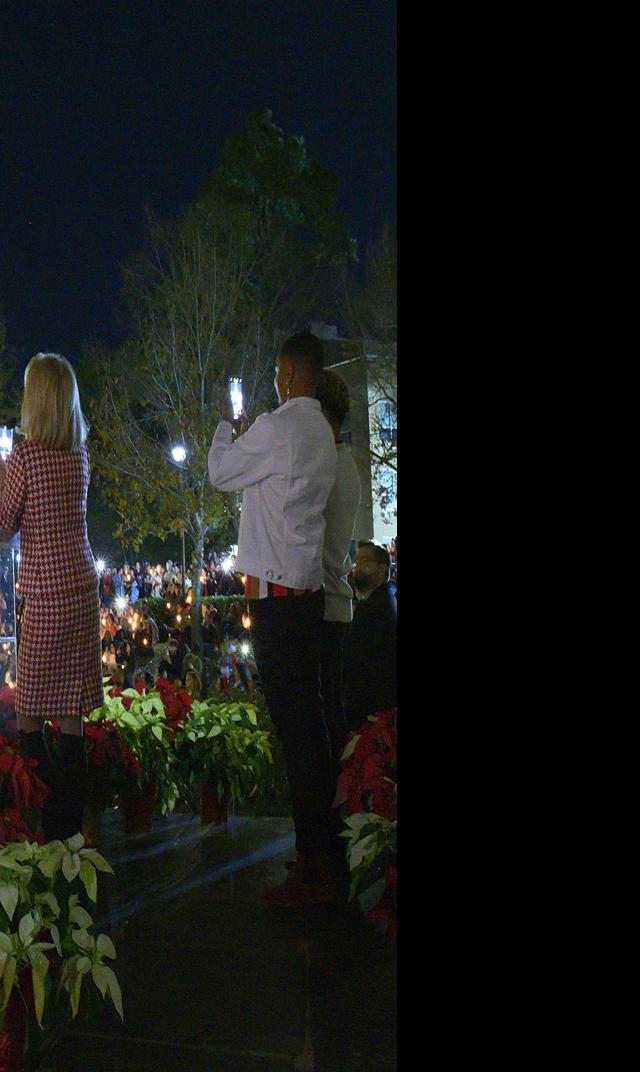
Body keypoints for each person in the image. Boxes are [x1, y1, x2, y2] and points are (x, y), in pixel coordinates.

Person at [208, 330, 341, 907]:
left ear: (288, 373)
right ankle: (321, 851)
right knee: (309, 729)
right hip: (306, 592)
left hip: (275, 600)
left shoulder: (278, 426)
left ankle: (315, 866)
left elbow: (219, 471)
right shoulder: (322, 434)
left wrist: (226, 427)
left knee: (295, 734)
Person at [0, 352, 100, 842]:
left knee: (31, 708)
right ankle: (71, 821)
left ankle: (39, 821)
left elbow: (3, 525)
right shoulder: (79, 454)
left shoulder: (26, 457)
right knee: (72, 711)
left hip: (46, 591)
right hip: (81, 584)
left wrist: (1, 474)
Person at [315, 369, 362, 765]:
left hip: (325, 605)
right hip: (335, 605)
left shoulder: (328, 465)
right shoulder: (343, 464)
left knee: (326, 719)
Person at [343, 541, 397, 727]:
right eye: (357, 561)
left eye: (365, 560)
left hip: (373, 706)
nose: (358, 566)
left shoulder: (378, 608)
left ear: (383, 569)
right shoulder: (378, 600)